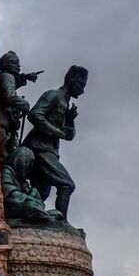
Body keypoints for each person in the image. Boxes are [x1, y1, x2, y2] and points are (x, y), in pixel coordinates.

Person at [21, 65, 87, 220]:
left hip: (51, 151)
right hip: (39, 148)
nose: (82, 91)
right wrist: (54, 131)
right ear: (72, 81)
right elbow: (34, 115)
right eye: (81, 85)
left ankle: (30, 219)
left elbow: (69, 136)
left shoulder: (66, 105)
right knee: (66, 184)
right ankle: (62, 221)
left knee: (40, 194)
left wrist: (70, 119)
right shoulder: (54, 95)